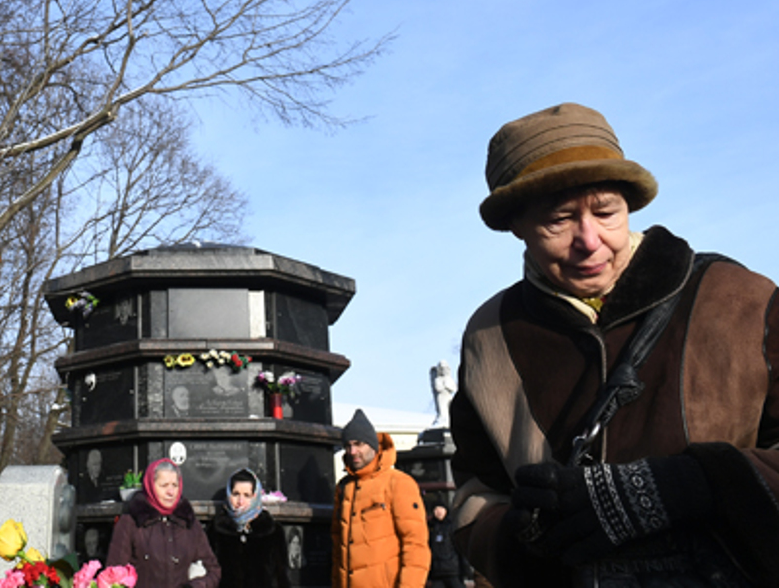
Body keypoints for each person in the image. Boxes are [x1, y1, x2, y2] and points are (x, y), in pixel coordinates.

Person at [450, 103, 779, 587]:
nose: (590, 240)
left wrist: (698, 483)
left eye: (606, 212)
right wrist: (522, 537)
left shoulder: (743, 299)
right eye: (559, 220)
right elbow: (475, 495)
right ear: (516, 225)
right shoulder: (488, 334)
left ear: (629, 205)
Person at [331, 409, 429, 588]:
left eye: (359, 444)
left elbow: (415, 545)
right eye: (348, 445)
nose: (352, 451)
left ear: (373, 446)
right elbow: (338, 546)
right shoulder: (343, 487)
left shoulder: (398, 483)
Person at [106, 458, 221, 588]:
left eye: (174, 485)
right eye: (164, 485)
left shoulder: (189, 523)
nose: (171, 492)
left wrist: (196, 585)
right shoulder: (131, 522)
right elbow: (113, 574)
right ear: (151, 486)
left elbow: (213, 571)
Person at [207, 468, 288, 588]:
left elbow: (281, 577)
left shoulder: (272, 530)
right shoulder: (216, 530)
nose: (240, 501)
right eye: (236, 494)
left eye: (247, 495)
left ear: (255, 496)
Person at [424, 505, 464, 588]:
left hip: (452, 570)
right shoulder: (430, 528)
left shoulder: (452, 526)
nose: (438, 512)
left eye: (441, 509)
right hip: (436, 572)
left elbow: (460, 549)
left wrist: (465, 570)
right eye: (436, 509)